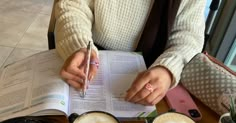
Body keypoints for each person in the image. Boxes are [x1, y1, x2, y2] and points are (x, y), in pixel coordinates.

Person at [55, 0, 206, 106]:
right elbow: (74, 7)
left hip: (155, 68)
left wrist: (168, 69)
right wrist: (79, 45)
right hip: (93, 55)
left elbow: (188, 36)